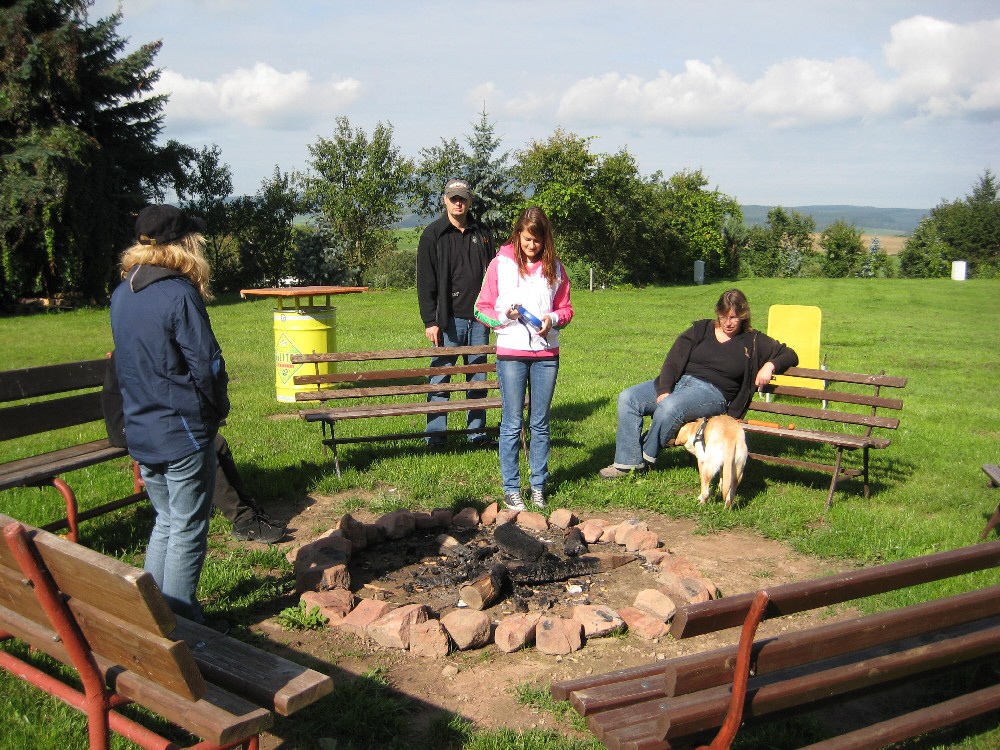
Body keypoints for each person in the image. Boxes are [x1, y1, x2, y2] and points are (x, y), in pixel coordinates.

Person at [110, 204, 229, 623]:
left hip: (141, 428)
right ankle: (181, 626)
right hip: (181, 430)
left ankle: (150, 615)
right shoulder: (179, 293)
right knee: (187, 527)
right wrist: (216, 411)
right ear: (183, 244)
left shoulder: (123, 293)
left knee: (166, 520)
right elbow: (207, 363)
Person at [599, 289, 797, 479]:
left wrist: (770, 365)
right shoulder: (701, 329)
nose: (728, 323)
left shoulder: (753, 341)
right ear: (717, 313)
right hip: (680, 382)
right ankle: (626, 463)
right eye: (723, 316)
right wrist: (665, 389)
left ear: (743, 316)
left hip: (713, 393)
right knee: (629, 397)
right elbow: (673, 361)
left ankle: (644, 459)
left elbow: (790, 354)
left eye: (734, 317)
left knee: (670, 407)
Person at [103, 353, 287, 544]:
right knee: (201, 446)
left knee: (217, 442)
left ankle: (250, 510)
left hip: (148, 421)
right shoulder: (136, 347)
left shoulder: (144, 342)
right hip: (129, 425)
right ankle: (243, 520)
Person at [475, 206, 574, 510]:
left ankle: (538, 486)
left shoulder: (555, 268)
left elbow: (567, 309)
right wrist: (504, 316)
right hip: (511, 355)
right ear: (517, 235)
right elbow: (481, 309)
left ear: (546, 241)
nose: (532, 246)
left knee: (541, 423)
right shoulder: (499, 265)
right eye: (528, 239)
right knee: (511, 422)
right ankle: (511, 487)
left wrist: (553, 319)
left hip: (546, 355)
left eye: (538, 241)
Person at [416, 178, 497, 451]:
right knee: (440, 377)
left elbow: (494, 275)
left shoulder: (482, 232)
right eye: (453, 198)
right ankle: (436, 437)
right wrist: (430, 320)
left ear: (469, 200)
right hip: (447, 319)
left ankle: (477, 433)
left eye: (462, 198)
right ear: (445, 200)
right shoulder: (433, 234)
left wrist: (496, 312)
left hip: (480, 318)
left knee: (478, 377)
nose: (458, 202)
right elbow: (425, 281)